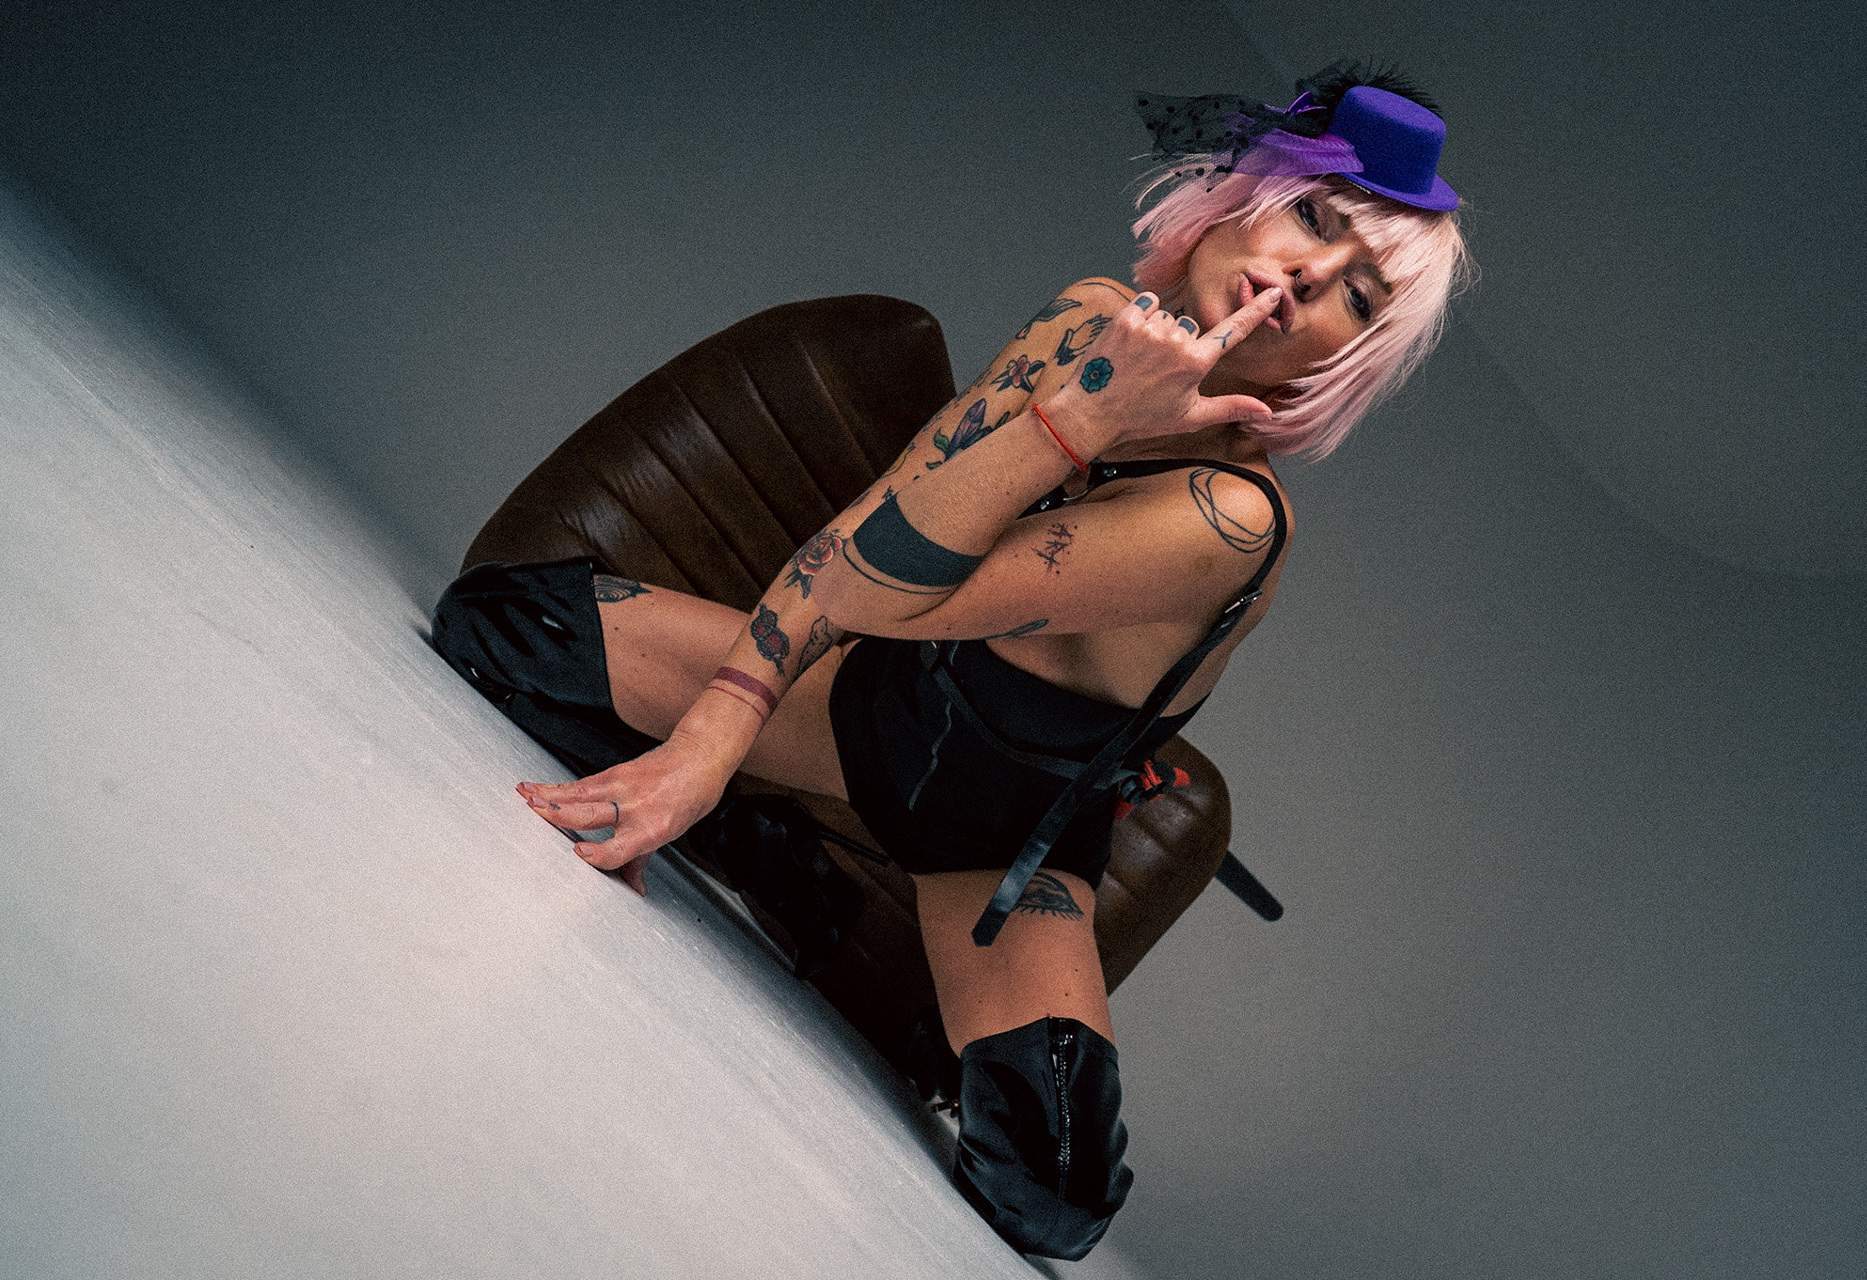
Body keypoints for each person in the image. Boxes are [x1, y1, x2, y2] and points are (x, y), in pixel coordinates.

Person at [431, 64, 1471, 1260]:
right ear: (1247, 197)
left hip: (997, 831)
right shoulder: (1086, 322)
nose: (1306, 277)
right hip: (858, 711)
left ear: (1345, 360)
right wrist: (709, 746)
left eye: (1358, 294)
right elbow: (864, 534)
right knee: (505, 628)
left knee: (1053, 1190)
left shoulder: (1230, 517)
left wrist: (1082, 420)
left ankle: (864, 925)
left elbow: (896, 590)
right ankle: (766, 837)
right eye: (1314, 218)